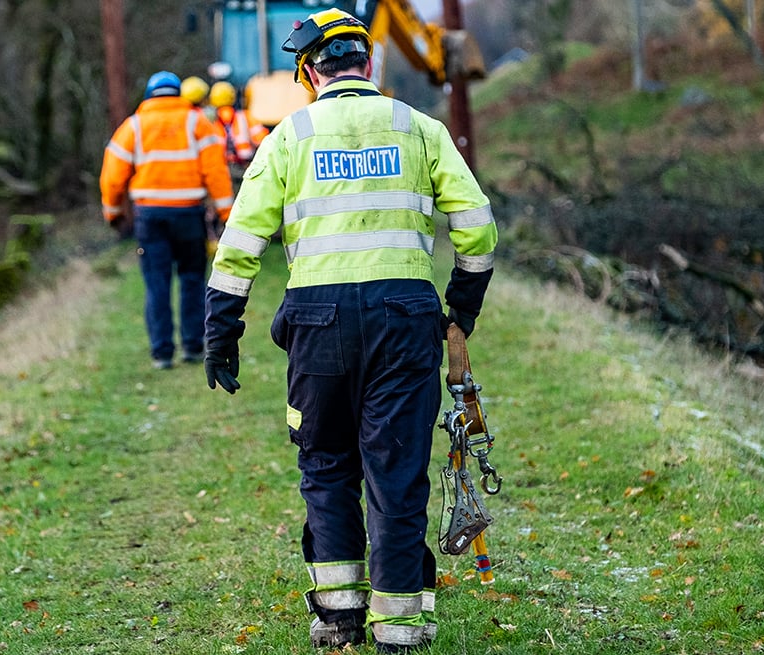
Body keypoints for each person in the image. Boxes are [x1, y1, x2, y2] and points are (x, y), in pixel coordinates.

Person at [201, 8, 498, 653]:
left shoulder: (287, 137)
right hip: (406, 319)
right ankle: (401, 631)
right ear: (369, 62)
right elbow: (477, 230)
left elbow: (240, 244)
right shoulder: (421, 130)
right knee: (395, 474)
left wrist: (221, 333)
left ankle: (339, 620)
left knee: (327, 464)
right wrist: (461, 310)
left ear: (310, 70)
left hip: (318, 325)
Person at [101, 71, 234, 370]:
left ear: (149, 95)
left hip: (150, 217)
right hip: (189, 214)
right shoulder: (197, 122)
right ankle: (193, 345)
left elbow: (112, 175)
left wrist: (113, 212)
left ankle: (162, 353)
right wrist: (227, 214)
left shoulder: (134, 126)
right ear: (179, 94)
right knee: (192, 279)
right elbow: (216, 171)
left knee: (156, 283)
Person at [208, 81, 269, 165]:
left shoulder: (211, 121)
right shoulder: (245, 116)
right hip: (245, 165)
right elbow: (263, 140)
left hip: (223, 165)